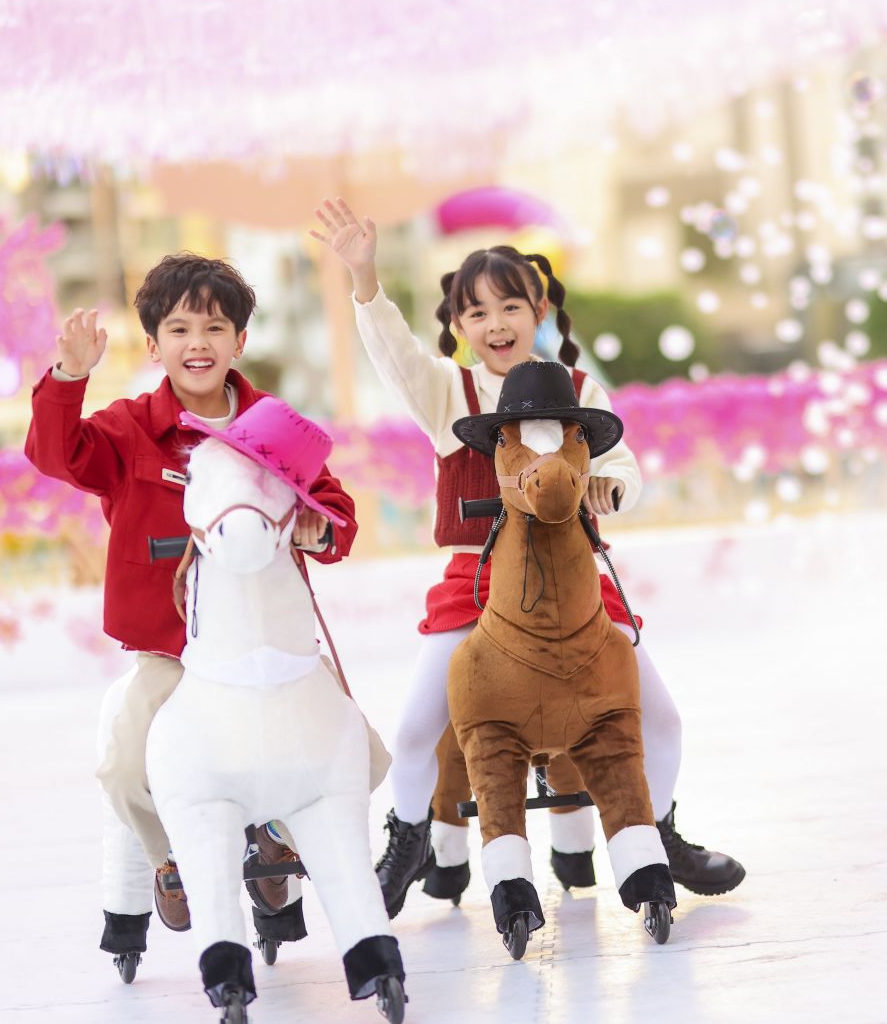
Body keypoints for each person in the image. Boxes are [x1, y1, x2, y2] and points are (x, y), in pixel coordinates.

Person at [310, 198, 745, 918]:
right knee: (416, 730)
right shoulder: (446, 391)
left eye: (509, 306)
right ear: (459, 326)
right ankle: (409, 840)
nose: (496, 324)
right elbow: (390, 349)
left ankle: (660, 835)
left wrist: (609, 487)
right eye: (476, 312)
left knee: (662, 717)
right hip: (475, 581)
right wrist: (364, 276)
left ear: (537, 309)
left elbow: (622, 463)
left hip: (572, 582)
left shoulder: (578, 391)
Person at [24, 253, 368, 967]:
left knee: (357, 750)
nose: (198, 343)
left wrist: (318, 528)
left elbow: (336, 509)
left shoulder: (273, 425)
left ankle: (275, 837)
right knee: (124, 767)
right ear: (154, 346)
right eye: (179, 329)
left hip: (266, 652)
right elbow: (57, 455)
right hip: (172, 652)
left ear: (240, 339)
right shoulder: (128, 429)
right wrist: (67, 378)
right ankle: (171, 858)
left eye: (214, 327)